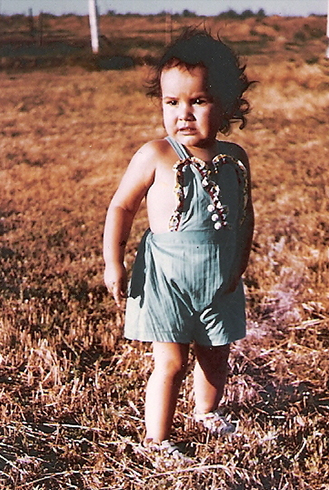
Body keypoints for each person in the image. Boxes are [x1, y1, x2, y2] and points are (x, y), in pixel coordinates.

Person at [102, 28, 255, 462]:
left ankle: (207, 412)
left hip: (220, 277)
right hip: (165, 278)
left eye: (198, 101)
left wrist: (238, 266)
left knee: (215, 356)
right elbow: (121, 208)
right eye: (172, 103)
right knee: (170, 363)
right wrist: (113, 262)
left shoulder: (235, 157)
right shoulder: (156, 155)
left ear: (225, 103)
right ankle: (158, 438)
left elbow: (246, 215)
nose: (183, 113)